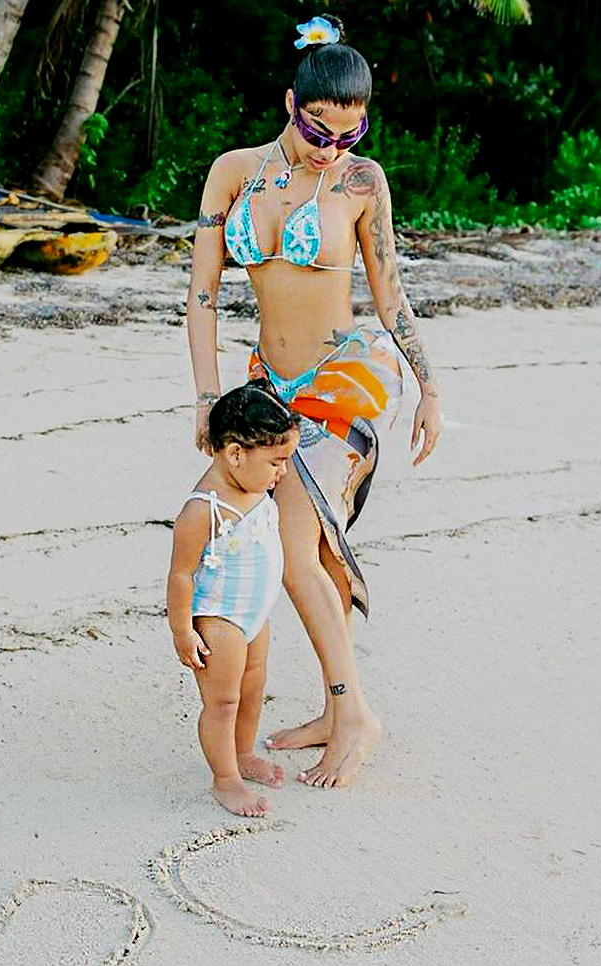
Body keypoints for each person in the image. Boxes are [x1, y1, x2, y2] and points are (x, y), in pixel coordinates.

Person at [184, 14, 444, 789]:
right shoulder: (234, 172)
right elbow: (200, 299)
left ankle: (353, 709)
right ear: (291, 102)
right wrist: (208, 399)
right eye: (320, 130)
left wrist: (429, 386)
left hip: (347, 376)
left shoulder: (363, 183)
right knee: (310, 547)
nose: (333, 148)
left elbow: (391, 297)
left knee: (295, 548)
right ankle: (338, 713)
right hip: (268, 388)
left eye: (350, 134)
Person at [166, 383, 301, 817]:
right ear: (235, 453)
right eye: (276, 462)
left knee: (253, 686)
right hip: (221, 618)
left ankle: (242, 754)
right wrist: (182, 630)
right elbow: (181, 575)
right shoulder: (202, 510)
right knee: (222, 701)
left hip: (255, 613)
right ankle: (225, 779)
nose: (282, 471)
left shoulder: (256, 484)